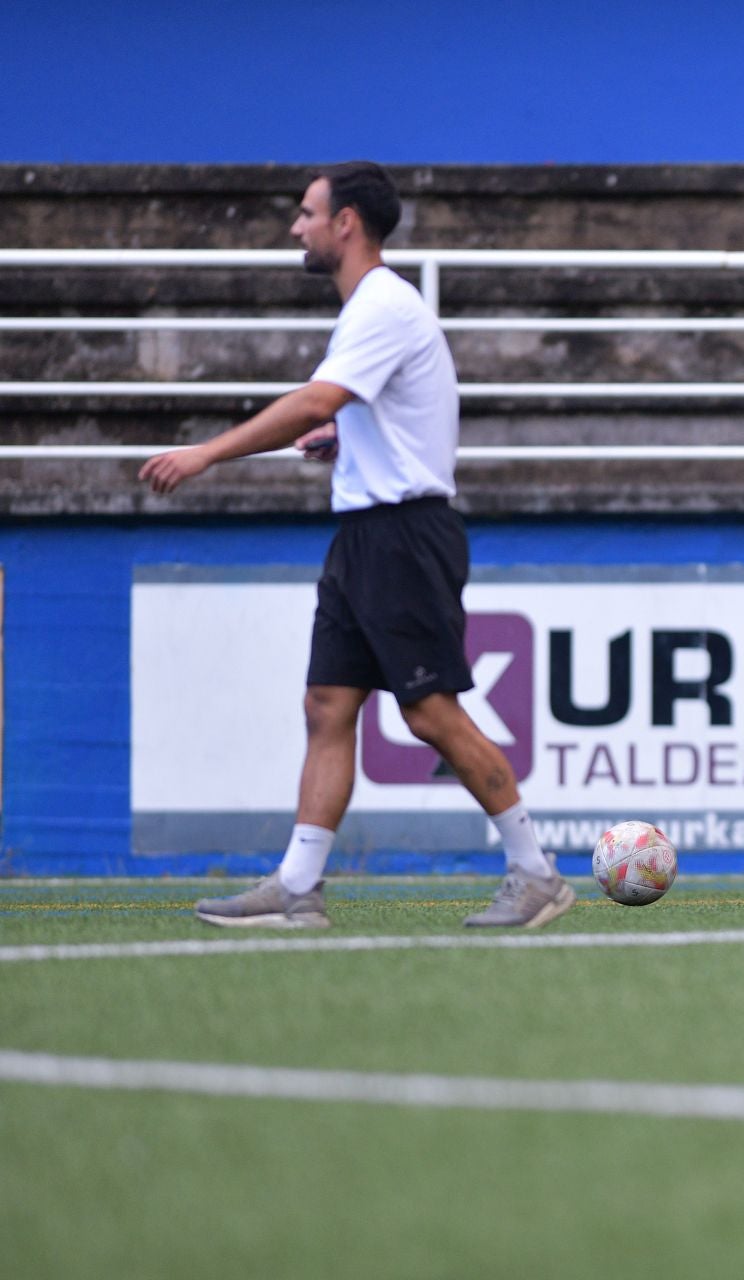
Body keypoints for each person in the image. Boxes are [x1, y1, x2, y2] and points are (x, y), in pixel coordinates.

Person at [139, 161, 575, 929]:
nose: (296, 227)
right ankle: (298, 887)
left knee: (430, 714)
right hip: (366, 533)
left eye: (307, 214)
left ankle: (535, 873)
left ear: (347, 224)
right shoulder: (371, 309)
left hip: (404, 534)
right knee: (328, 703)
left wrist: (206, 452)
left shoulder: (382, 304)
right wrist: (347, 436)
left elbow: (317, 395)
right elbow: (388, 408)